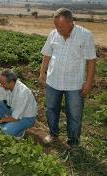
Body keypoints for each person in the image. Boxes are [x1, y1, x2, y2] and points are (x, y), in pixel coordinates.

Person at [39, 8, 97, 148]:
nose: (58, 29)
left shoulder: (85, 35)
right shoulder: (53, 34)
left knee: (74, 113)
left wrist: (88, 82)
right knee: (51, 109)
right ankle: (53, 133)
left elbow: (91, 61)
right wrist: (42, 73)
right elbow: (47, 55)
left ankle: (73, 141)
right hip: (53, 81)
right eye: (56, 26)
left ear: (71, 22)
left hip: (74, 84)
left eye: (61, 26)